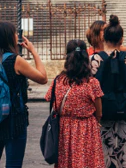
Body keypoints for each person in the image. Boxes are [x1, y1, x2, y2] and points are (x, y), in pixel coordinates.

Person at [0, 22, 48, 168]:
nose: (17, 36)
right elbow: (43, 78)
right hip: (14, 121)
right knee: (13, 164)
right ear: (9, 37)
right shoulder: (15, 61)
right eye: (15, 33)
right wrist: (33, 51)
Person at [90, 15, 126, 168]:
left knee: (103, 153)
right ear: (121, 39)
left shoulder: (93, 60)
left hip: (101, 117)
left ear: (104, 39)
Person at [45, 39, 104, 168]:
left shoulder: (58, 81)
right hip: (87, 129)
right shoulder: (92, 83)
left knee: (66, 162)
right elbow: (99, 111)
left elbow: (51, 101)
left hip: (64, 130)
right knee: (87, 162)